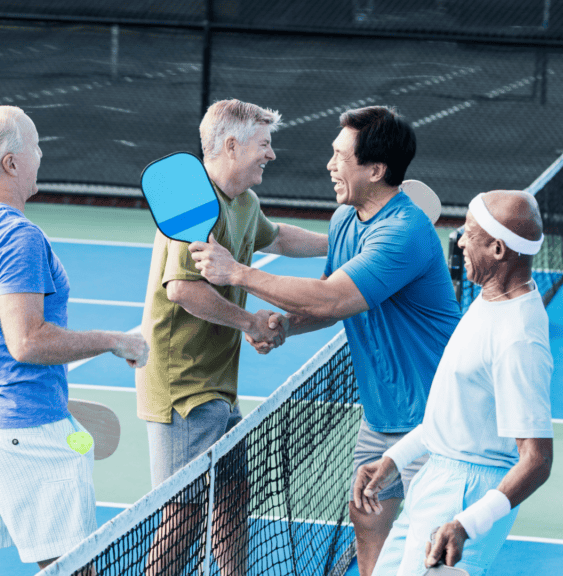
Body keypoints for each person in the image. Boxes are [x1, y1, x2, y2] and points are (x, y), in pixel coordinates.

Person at [189, 105, 461, 576]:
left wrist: (236, 272)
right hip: (381, 416)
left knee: (433, 552)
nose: (330, 166)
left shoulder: (404, 232)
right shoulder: (344, 221)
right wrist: (283, 328)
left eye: (341, 157)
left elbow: (334, 299)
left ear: (375, 170)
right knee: (367, 516)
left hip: (433, 420)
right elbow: (320, 300)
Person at [0, 105, 149, 575]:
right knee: (73, 567)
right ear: (11, 163)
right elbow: (26, 342)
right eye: (36, 145)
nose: (42, 155)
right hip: (27, 429)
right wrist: (115, 340)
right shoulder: (17, 237)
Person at [138, 98, 328, 576]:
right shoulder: (191, 201)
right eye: (264, 144)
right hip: (183, 386)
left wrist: (344, 243)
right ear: (231, 145)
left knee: (231, 498)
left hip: (218, 380)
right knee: (182, 516)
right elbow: (183, 289)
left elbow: (279, 238)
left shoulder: (244, 202)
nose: (272, 154)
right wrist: (249, 323)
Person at [352, 189, 555, 576]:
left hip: (464, 497)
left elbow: (538, 460)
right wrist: (396, 459)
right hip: (435, 478)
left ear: (498, 249)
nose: (459, 240)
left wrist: (468, 523)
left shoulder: (518, 339)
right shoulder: (489, 299)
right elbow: (456, 416)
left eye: (469, 233)